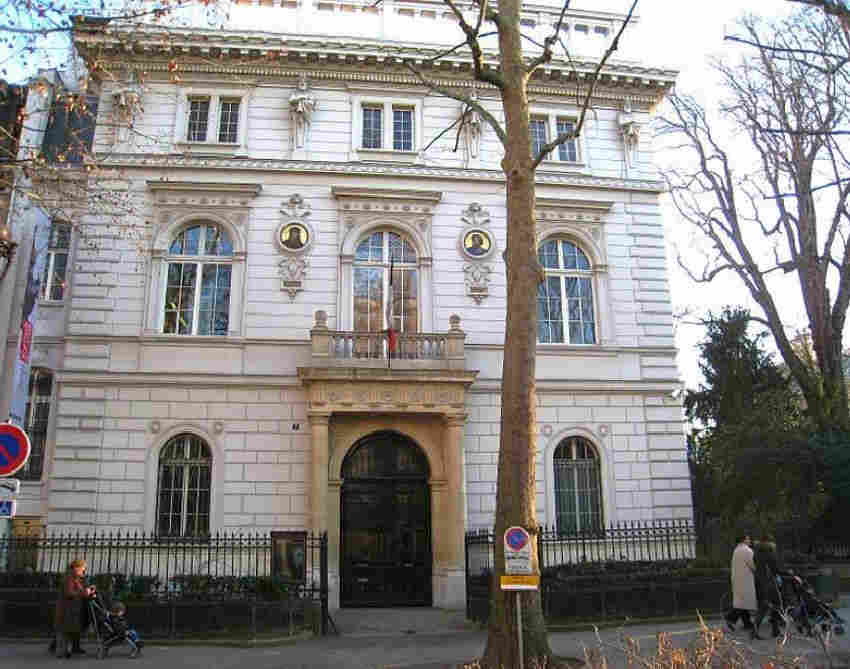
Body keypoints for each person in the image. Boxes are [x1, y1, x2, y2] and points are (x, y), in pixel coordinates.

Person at [53, 558, 96, 658]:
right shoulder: (69, 578)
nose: (84, 571)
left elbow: (81, 590)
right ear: (76, 568)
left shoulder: (77, 578)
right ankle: (62, 651)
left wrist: (90, 590)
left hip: (74, 609)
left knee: (73, 628)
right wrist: (84, 592)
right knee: (65, 630)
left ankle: (73, 648)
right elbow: (69, 593)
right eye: (82, 569)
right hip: (67, 609)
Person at [726, 534, 759, 638]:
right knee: (744, 601)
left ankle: (747, 623)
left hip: (737, 579)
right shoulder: (747, 551)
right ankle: (731, 618)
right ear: (744, 540)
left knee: (742, 600)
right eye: (748, 538)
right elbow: (753, 565)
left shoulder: (736, 550)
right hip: (746, 579)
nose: (750, 540)